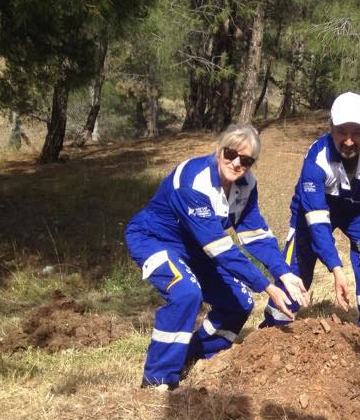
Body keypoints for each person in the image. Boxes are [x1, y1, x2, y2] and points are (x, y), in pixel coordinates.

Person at [125, 123, 308, 389]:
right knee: (186, 294)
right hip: (154, 240)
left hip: (196, 248)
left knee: (240, 303)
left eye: (246, 160)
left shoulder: (246, 186)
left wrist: (284, 272)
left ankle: (196, 354)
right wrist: (268, 287)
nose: (236, 163)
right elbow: (219, 248)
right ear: (219, 149)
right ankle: (157, 381)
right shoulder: (193, 181)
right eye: (230, 154)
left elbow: (256, 234)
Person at [260, 92, 360, 334]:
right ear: (330, 129)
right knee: (296, 270)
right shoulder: (316, 159)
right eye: (341, 132)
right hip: (312, 211)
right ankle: (273, 329)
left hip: (357, 209)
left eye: (356, 132)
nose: (348, 140)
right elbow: (317, 223)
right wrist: (336, 269)